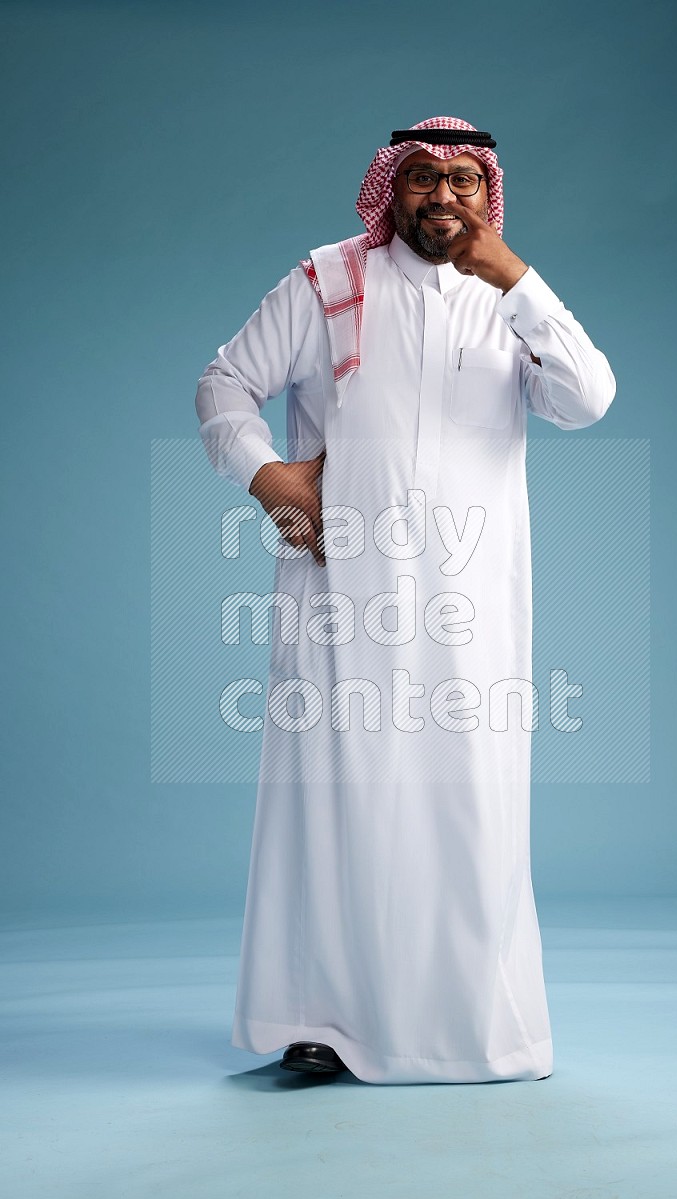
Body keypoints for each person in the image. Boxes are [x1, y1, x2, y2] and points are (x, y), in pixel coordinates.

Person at [195, 116, 616, 1085]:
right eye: (422, 178)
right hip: (341, 593)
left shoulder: (513, 302)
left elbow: (588, 397)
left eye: (463, 181)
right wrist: (270, 479)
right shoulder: (326, 282)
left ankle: (472, 1022)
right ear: (391, 187)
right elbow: (224, 383)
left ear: (488, 192)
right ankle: (319, 1018)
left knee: (467, 805)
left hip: (468, 608)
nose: (441, 198)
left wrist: (514, 277)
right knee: (333, 804)